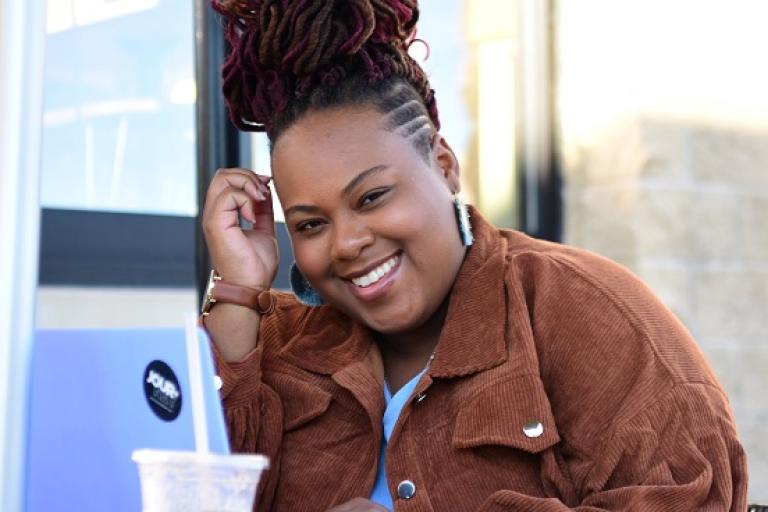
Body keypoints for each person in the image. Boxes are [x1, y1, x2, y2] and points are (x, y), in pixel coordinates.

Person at [199, 1, 748, 510]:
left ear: (444, 166)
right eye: (310, 224)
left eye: (372, 197)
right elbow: (192, 489)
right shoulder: (276, 344)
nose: (346, 244)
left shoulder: (585, 312)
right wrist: (236, 288)